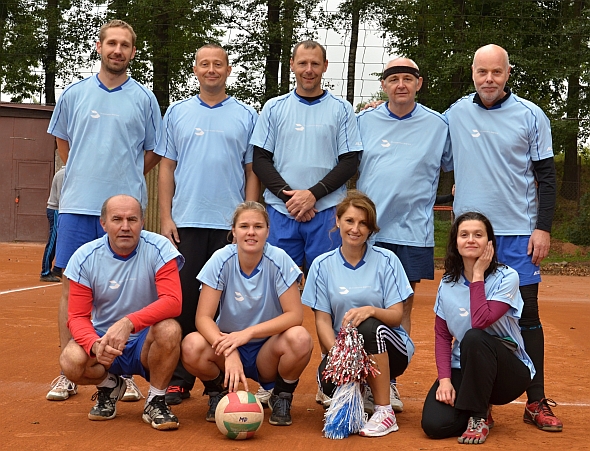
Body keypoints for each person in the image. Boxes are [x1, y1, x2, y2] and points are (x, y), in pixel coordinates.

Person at [445, 44, 562, 431]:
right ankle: (482, 399)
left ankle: (536, 400)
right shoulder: (456, 113)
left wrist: (542, 227)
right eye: (482, 72)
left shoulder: (531, 115)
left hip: (516, 234)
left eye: (496, 72)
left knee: (528, 315)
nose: (489, 80)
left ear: (508, 72)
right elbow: (426, 141)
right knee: (473, 319)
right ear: (473, 72)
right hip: (471, 234)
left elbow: (546, 177)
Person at [45, 19, 162, 402]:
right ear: (99, 47)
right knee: (71, 287)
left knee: (131, 290)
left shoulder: (144, 98)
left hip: (125, 211)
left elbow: (152, 151)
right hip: (78, 206)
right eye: (111, 43)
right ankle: (69, 369)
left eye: (125, 45)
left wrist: (123, 181)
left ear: (132, 51)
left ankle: (122, 371)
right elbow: (63, 144)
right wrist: (85, 174)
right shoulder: (74, 94)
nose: (118, 50)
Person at [156, 43, 260, 405]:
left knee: (224, 304)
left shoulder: (247, 115)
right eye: (205, 64)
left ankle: (221, 382)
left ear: (228, 70)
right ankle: (180, 379)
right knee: (183, 303)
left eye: (218, 64)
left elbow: (251, 171)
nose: (211, 70)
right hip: (185, 224)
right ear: (196, 69)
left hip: (228, 226)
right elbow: (166, 167)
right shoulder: (178, 113)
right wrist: (166, 216)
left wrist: (245, 219)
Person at [181, 201, 313, 426]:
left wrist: (249, 333)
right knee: (191, 345)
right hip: (228, 344)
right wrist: (229, 350)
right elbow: (202, 318)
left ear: (268, 231)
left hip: (267, 350)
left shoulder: (279, 259)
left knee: (300, 338)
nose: (251, 232)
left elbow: (294, 316)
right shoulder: (221, 260)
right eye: (244, 226)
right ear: (233, 231)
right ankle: (218, 392)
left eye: (258, 226)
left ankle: (281, 395)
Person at [58, 195, 184, 430]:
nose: (125, 227)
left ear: (142, 222)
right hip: (104, 343)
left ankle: (156, 400)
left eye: (132, 219)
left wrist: (128, 323)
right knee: (70, 361)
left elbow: (173, 302)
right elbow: (76, 317)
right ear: (103, 223)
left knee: (169, 329)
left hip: (145, 343)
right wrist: (94, 345)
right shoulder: (85, 258)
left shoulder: (161, 249)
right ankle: (110, 385)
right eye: (117, 219)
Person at [302, 191, 414, 437]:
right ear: (338, 222)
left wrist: (371, 310)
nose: (356, 228)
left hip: (392, 349)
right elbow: (321, 321)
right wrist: (342, 360)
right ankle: (361, 387)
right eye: (350, 221)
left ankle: (384, 410)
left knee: (366, 324)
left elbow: (396, 316)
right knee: (329, 380)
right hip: (343, 351)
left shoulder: (387, 261)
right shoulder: (321, 265)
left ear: (371, 228)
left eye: (363, 223)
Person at [357, 58, 452, 340]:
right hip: (369, 231)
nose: (401, 85)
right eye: (394, 79)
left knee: (403, 307)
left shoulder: (439, 125)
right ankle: (362, 377)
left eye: (408, 79)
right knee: (366, 304)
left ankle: (392, 378)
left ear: (419, 83)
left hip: (413, 233)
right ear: (383, 85)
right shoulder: (362, 121)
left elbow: (461, 162)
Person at [250, 40, 363, 276]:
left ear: (325, 66)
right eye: (302, 63)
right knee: (277, 287)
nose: (308, 69)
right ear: (292, 65)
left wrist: (312, 196)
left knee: (328, 288)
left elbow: (350, 161)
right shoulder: (273, 107)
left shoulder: (342, 109)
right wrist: (291, 198)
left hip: (327, 212)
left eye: (315, 63)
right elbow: (260, 159)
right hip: (282, 212)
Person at [421, 212, 535, 444]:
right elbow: (442, 336)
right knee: (434, 425)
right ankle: (478, 405)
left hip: (508, 372)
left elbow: (481, 321)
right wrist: (444, 380)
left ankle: (478, 417)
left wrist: (478, 275)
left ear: (489, 243)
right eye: (464, 235)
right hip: (465, 366)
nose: (471, 239)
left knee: (474, 337)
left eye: (478, 235)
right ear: (455, 242)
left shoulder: (507, 277)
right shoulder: (448, 283)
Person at [40, 166, 65, 283]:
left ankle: (57, 268)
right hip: (56, 210)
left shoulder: (69, 173)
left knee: (61, 240)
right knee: (53, 240)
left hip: (61, 210)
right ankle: (45, 272)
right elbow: (62, 198)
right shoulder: (63, 174)